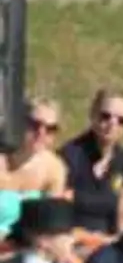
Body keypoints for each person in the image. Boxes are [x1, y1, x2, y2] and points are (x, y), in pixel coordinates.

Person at [60, 87, 123, 262]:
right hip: (74, 241)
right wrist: (93, 240)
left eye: (121, 120)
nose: (113, 123)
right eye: (106, 116)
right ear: (93, 115)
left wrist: (120, 242)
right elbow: (62, 213)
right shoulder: (70, 156)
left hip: (109, 244)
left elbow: (122, 218)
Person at [0, 98, 70, 242]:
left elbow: (50, 227)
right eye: (35, 125)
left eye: (50, 129)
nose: (41, 133)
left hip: (25, 248)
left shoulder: (54, 168)